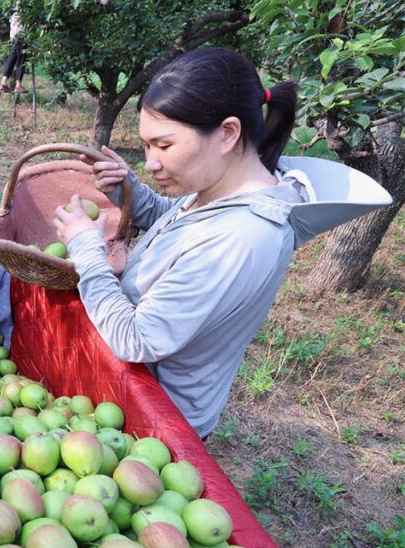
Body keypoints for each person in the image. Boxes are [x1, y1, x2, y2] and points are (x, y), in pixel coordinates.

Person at [53, 46, 386, 439]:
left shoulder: (243, 237)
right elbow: (180, 224)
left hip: (155, 420)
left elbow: (136, 340)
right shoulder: (218, 189)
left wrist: (87, 251)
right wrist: (132, 192)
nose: (151, 161)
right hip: (133, 398)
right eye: (146, 147)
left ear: (227, 133)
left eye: (164, 145)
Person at [0, 12, 27, 94]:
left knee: (11, 60)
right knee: (21, 61)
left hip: (14, 39)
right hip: (21, 38)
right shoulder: (24, 12)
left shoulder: (14, 14)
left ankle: (4, 82)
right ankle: (18, 85)